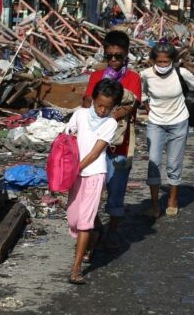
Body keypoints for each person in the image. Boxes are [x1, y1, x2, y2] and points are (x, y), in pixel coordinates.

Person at [82, 31, 141, 248]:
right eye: (110, 56)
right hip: (94, 143)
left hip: (119, 143)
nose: (114, 60)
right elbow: (87, 103)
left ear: (126, 54)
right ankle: (94, 228)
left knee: (116, 190)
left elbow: (131, 105)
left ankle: (112, 232)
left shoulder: (133, 78)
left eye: (118, 56)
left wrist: (109, 117)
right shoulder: (96, 77)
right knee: (92, 191)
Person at [64, 78, 122, 285]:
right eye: (100, 105)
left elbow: (96, 152)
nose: (102, 110)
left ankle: (76, 268)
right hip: (75, 174)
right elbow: (66, 138)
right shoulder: (79, 114)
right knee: (73, 219)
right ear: (93, 99)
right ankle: (95, 235)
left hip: (94, 173)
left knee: (84, 222)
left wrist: (76, 168)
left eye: (108, 107)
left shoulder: (110, 123)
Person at [141, 41, 194, 218]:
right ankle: (155, 205)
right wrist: (149, 110)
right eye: (159, 62)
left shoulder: (181, 73)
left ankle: (172, 200)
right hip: (156, 123)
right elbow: (143, 94)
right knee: (153, 162)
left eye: (166, 62)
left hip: (179, 121)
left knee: (173, 162)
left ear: (172, 61)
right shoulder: (146, 75)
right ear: (153, 61)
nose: (163, 65)